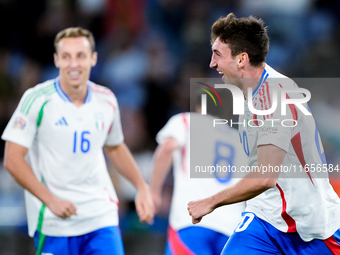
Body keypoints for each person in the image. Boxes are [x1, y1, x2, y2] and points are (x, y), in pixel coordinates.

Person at [187, 13, 340, 254]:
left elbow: (265, 176)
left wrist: (210, 202)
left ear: (242, 59)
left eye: (217, 54)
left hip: (312, 230)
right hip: (265, 219)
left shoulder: (275, 94)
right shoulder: (249, 94)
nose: (212, 64)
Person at [1, 27, 154, 255]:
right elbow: (12, 160)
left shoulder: (106, 99)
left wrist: (142, 187)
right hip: (54, 222)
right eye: (66, 56)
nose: (74, 64)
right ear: (56, 60)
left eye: (80, 56)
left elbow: (114, 146)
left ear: (93, 58)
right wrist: (50, 200)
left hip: (100, 216)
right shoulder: (37, 100)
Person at [151, 98, 246, 255]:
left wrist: (152, 191)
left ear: (200, 107)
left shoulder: (187, 121)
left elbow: (168, 147)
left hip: (192, 221)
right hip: (232, 227)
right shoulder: (240, 140)